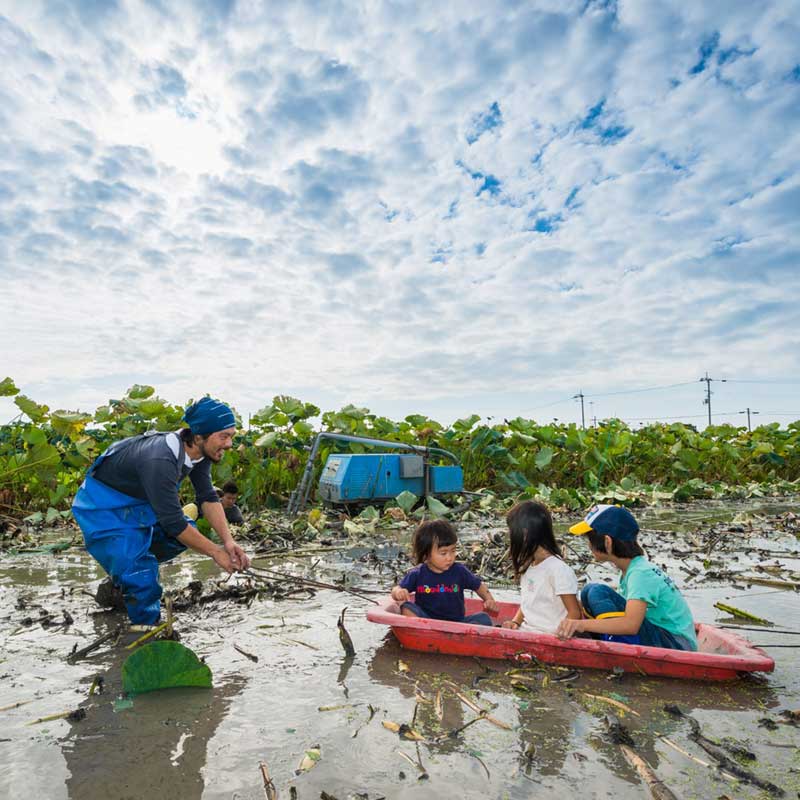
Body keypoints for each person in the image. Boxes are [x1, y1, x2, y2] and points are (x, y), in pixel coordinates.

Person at [71, 397, 251, 627]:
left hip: (139, 504)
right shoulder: (160, 458)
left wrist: (228, 542)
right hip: (103, 507)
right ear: (199, 436)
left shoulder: (200, 453)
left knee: (183, 536)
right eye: (223, 436)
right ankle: (146, 631)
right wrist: (215, 553)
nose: (229, 444)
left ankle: (119, 583)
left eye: (231, 436)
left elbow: (207, 497)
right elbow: (174, 523)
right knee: (142, 576)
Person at [556, 505, 697, 650]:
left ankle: (613, 646)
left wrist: (580, 624)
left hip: (676, 644)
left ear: (607, 542)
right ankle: (609, 640)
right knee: (588, 593)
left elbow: (631, 625)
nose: (589, 544)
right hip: (665, 636)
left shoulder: (640, 574)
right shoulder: (633, 568)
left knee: (596, 591)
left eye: (590, 539)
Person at [390, 519, 498, 626]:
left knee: (484, 618)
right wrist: (399, 592)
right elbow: (396, 589)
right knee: (407, 607)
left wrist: (489, 599)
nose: (450, 557)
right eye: (443, 553)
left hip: (457, 624)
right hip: (426, 621)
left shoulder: (460, 571)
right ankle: (421, 633)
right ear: (426, 554)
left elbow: (478, 586)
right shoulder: (418, 574)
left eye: (453, 551)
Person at [500, 500, 582, 634]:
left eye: (512, 532)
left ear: (525, 534)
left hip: (548, 636)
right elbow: (530, 602)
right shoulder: (529, 565)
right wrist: (515, 622)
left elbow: (574, 613)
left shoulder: (558, 569)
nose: (510, 537)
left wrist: (557, 637)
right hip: (527, 631)